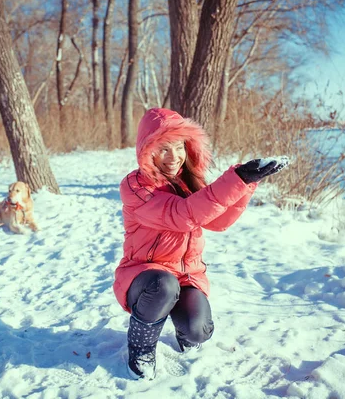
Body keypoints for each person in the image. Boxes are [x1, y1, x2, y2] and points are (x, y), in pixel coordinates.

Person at [114, 108, 288, 380]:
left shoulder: (188, 182)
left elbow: (218, 221)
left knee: (199, 331)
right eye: (163, 149)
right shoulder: (136, 187)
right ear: (147, 150)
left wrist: (246, 184)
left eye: (179, 147)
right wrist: (236, 178)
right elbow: (183, 215)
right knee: (163, 286)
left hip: (187, 275)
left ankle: (181, 321)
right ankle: (141, 348)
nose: (173, 158)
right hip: (144, 275)